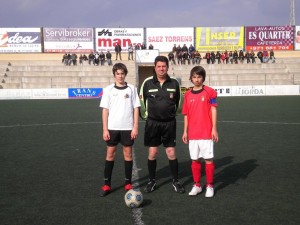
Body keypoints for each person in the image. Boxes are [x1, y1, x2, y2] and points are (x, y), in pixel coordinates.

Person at [139, 56, 185, 194]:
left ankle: (175, 181)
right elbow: (141, 102)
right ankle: (151, 181)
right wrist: (146, 116)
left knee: (171, 152)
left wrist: (172, 114)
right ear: (155, 67)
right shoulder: (147, 83)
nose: (161, 69)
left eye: (164, 66)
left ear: (167, 67)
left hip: (169, 124)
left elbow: (179, 102)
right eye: (158, 66)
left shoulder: (174, 83)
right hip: (153, 123)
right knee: (153, 152)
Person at [99, 63, 140, 197]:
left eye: (122, 73)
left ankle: (128, 183)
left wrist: (135, 127)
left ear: (125, 74)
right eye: (118, 73)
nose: (120, 76)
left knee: (127, 155)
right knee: (110, 155)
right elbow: (105, 110)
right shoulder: (108, 90)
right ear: (114, 74)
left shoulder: (132, 89)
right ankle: (107, 184)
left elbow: (136, 108)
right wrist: (105, 129)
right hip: (112, 128)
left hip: (127, 128)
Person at [182, 65, 218, 197]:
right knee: (195, 160)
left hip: (206, 132)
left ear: (203, 78)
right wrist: (185, 131)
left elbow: (214, 110)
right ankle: (197, 185)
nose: (197, 79)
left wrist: (214, 128)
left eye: (199, 77)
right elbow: (186, 114)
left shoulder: (210, 92)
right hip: (193, 134)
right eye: (194, 77)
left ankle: (209, 185)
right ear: (191, 79)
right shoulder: (187, 95)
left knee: (208, 159)